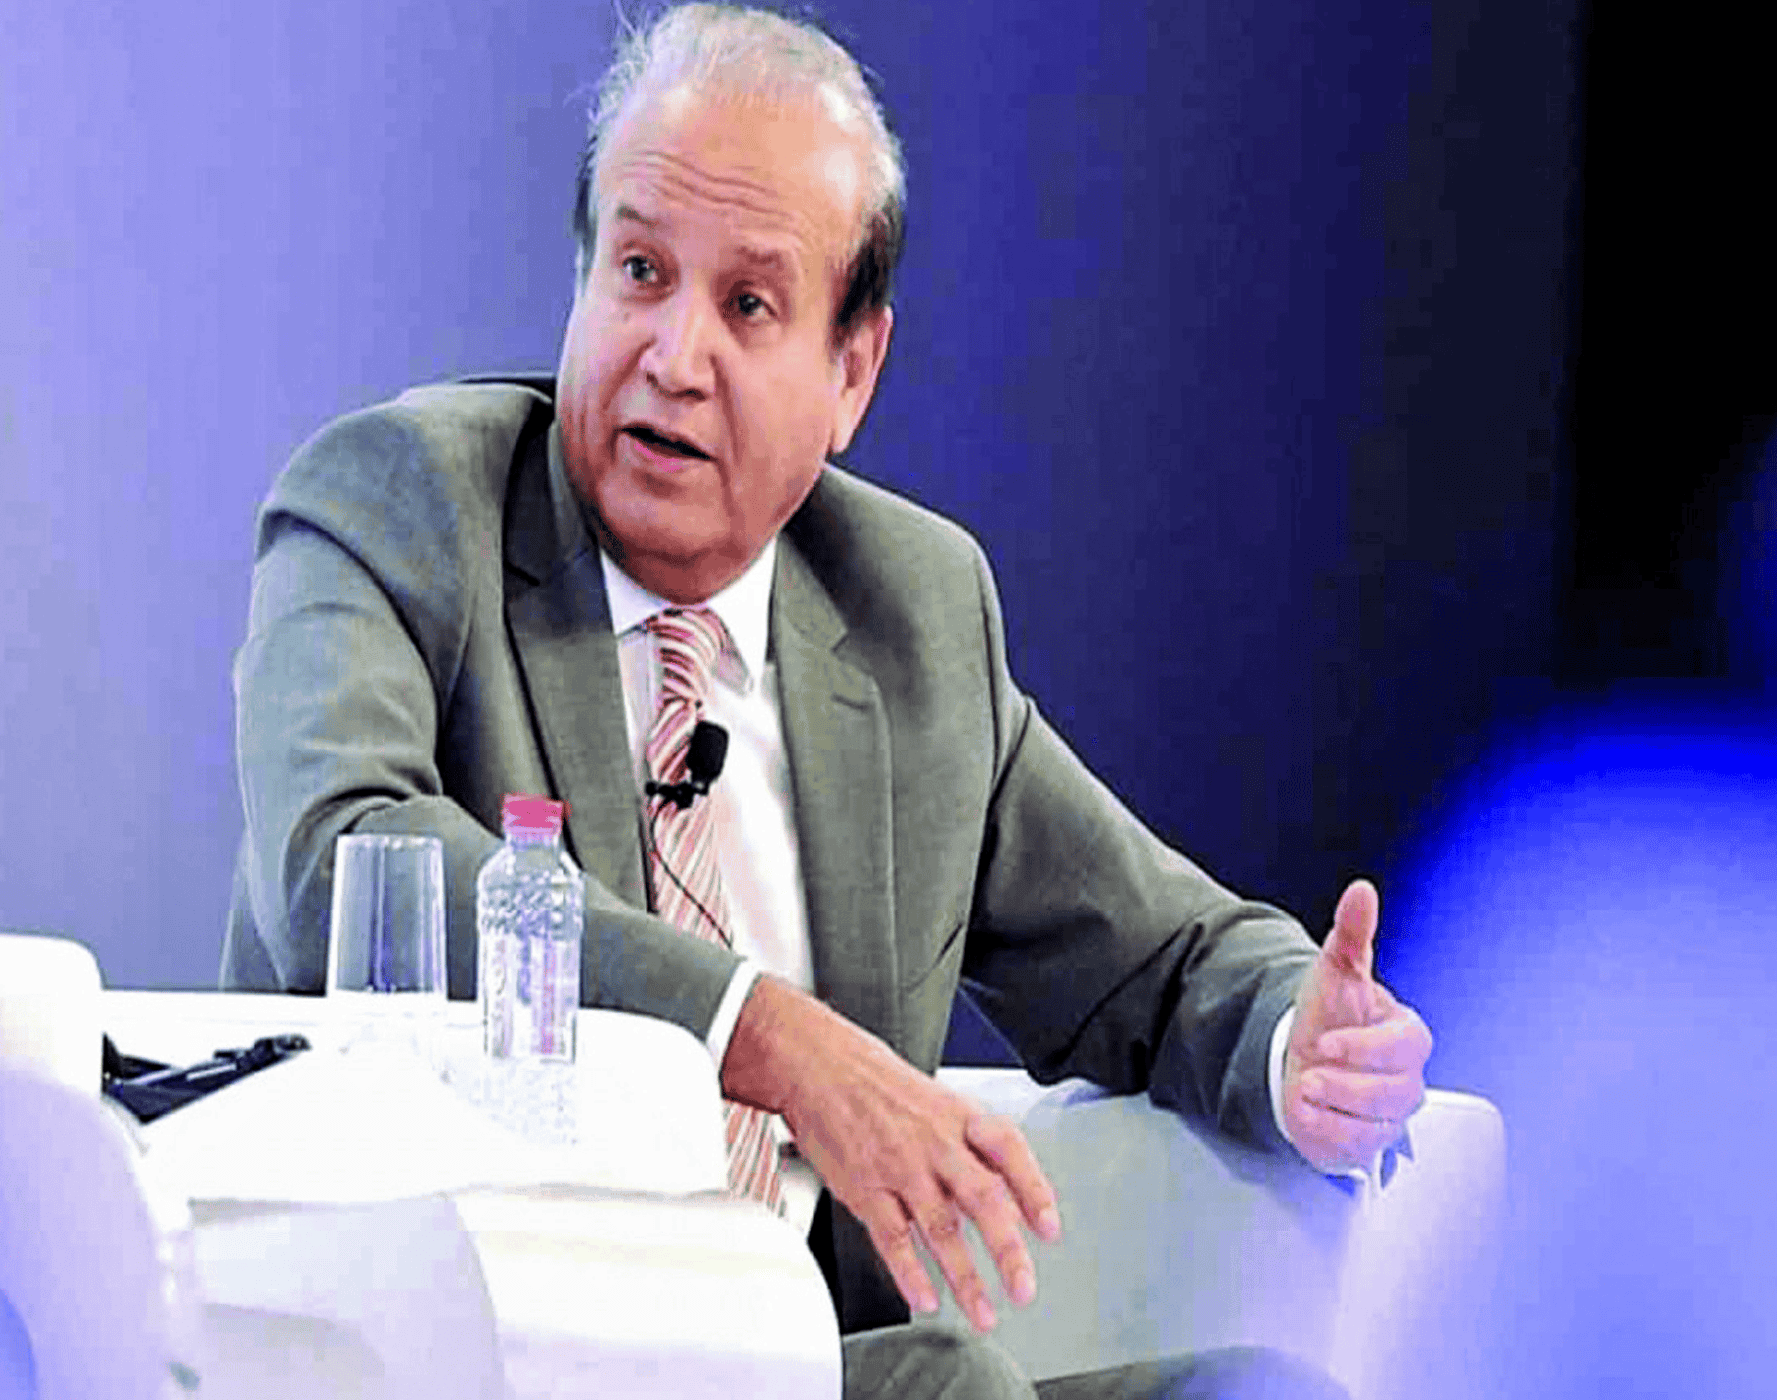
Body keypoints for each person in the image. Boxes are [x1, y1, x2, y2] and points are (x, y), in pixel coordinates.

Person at [221, 5, 1431, 1396]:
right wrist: (760, 1034)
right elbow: (339, 855)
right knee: (953, 1384)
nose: (674, 355)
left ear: (851, 372)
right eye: (638, 272)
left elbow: (1150, 957)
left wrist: (1297, 1044)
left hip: (807, 1363)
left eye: (748, 305)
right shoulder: (400, 505)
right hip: (477, 1355)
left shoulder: (911, 613)